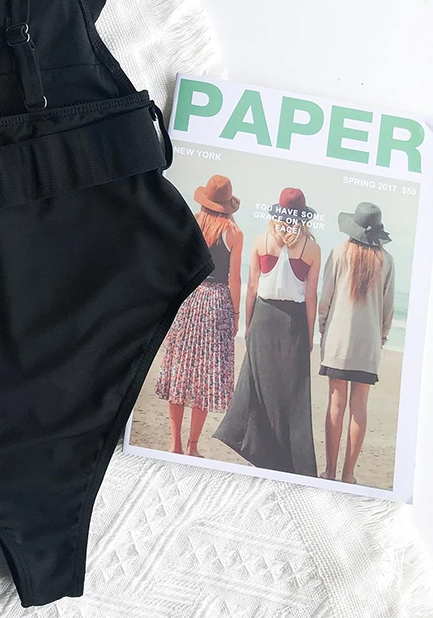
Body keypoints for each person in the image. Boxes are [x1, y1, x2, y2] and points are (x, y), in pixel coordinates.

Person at [214, 188, 320, 476]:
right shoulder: (311, 249)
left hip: (263, 317)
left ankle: (257, 450)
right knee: (292, 393)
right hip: (293, 322)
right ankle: (288, 461)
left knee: (258, 387)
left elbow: (252, 287)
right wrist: (311, 334)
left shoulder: (261, 241)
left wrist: (248, 324)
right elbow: (311, 297)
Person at [156, 175, 244, 456]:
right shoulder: (234, 233)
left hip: (190, 298)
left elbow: (178, 265)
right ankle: (192, 446)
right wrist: (236, 313)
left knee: (180, 371)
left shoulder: (193, 221)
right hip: (216, 302)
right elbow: (234, 279)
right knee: (205, 377)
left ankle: (175, 443)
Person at [318, 203, 395, 484]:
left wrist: (323, 330)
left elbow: (325, 299)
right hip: (368, 344)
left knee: (336, 404)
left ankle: (329, 471)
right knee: (359, 406)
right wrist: (382, 338)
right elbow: (388, 308)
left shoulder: (339, 252)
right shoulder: (386, 260)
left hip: (339, 340)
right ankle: (348, 475)